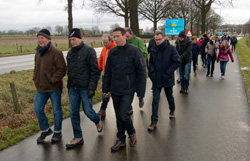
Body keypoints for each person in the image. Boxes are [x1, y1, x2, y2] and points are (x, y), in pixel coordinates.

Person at [102, 27, 146, 151]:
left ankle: (131, 132)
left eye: (117, 36)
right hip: (115, 89)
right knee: (118, 115)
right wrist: (105, 89)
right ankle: (120, 139)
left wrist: (140, 93)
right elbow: (108, 71)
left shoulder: (135, 51)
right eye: (114, 37)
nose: (115, 39)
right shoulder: (112, 52)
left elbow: (142, 72)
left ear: (124, 36)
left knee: (123, 115)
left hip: (128, 89)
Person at [66, 28, 103, 149]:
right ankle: (78, 137)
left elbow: (94, 71)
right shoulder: (70, 53)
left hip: (85, 88)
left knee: (88, 111)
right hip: (73, 88)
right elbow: (70, 71)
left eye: (74, 39)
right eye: (70, 40)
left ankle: (97, 120)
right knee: (73, 113)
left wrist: (92, 88)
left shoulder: (89, 51)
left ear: (80, 38)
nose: (72, 42)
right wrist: (69, 86)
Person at [33, 29, 67, 143]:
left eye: (42, 38)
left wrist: (52, 80)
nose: (40, 40)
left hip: (54, 87)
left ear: (48, 39)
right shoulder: (38, 52)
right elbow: (36, 67)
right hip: (41, 87)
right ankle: (45, 129)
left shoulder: (56, 52)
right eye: (38, 38)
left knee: (56, 110)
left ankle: (57, 131)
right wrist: (35, 78)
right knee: (38, 108)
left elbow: (62, 69)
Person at [148, 30, 180, 131]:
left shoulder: (171, 49)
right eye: (156, 40)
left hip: (167, 78)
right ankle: (154, 121)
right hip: (156, 78)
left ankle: (172, 109)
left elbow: (177, 62)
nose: (157, 41)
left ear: (164, 38)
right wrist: (152, 73)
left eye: (159, 39)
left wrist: (167, 72)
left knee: (169, 96)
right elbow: (151, 62)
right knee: (155, 100)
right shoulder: (153, 49)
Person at [124, 27, 148, 115]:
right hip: (128, 71)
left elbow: (145, 53)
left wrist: (141, 65)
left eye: (127, 36)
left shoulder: (138, 41)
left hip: (138, 69)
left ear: (132, 34)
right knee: (128, 89)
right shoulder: (123, 43)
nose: (126, 38)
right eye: (124, 36)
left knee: (138, 86)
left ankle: (140, 98)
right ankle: (129, 107)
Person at [96, 34, 117, 118]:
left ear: (111, 41)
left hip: (114, 75)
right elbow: (101, 60)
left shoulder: (115, 48)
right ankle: (103, 109)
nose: (105, 44)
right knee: (105, 93)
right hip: (105, 75)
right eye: (104, 42)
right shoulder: (104, 49)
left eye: (106, 42)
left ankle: (126, 109)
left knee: (116, 94)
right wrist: (98, 69)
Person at [176, 30, 192, 94]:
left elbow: (188, 51)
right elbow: (176, 51)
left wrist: (181, 56)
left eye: (182, 38)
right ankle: (182, 87)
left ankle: (186, 87)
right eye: (180, 38)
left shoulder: (189, 42)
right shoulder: (178, 42)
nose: (181, 39)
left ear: (184, 37)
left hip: (187, 60)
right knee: (181, 75)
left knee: (186, 74)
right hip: (180, 61)